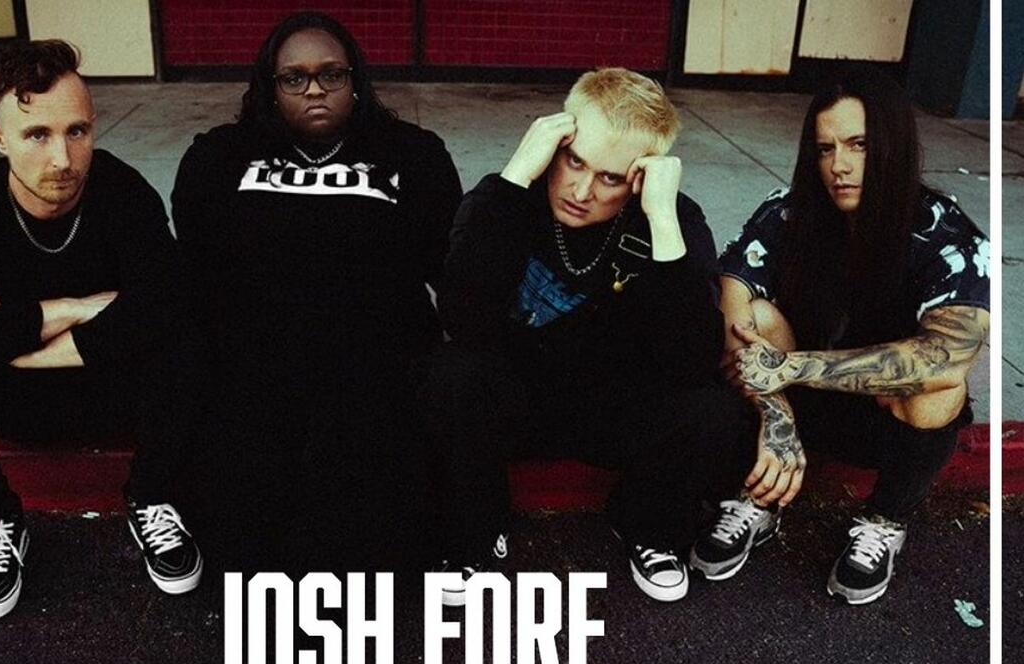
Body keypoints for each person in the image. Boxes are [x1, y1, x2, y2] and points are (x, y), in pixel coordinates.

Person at [423, 67, 757, 604]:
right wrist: (515, 174)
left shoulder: (673, 218)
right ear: (554, 142)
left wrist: (662, 220)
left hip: (613, 411)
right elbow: (461, 318)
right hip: (518, 402)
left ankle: (647, 527)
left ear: (642, 177)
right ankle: (476, 534)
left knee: (711, 410)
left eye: (610, 179)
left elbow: (693, 360)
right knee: (451, 373)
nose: (582, 191)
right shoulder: (510, 197)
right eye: (574, 161)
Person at [0, 40, 201, 621]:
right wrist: (68, 309)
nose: (62, 157)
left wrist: (12, 340)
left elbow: (167, 302)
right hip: (12, 402)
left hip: (109, 392)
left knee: (188, 344)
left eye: (77, 131)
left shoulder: (123, 192)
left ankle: (151, 497)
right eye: (37, 134)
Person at [170, 12, 462, 575]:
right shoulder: (219, 157)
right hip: (260, 358)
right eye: (294, 78)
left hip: (376, 356)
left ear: (356, 81)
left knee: (374, 523)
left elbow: (444, 266)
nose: (314, 90)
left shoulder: (413, 154)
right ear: (270, 87)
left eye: (332, 75)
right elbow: (201, 270)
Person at [693, 69, 990, 605]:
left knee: (941, 388)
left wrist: (793, 367)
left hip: (884, 422)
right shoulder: (788, 211)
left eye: (858, 145)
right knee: (754, 315)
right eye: (825, 149)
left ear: (894, 146)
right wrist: (777, 416)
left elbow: (947, 356)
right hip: (794, 407)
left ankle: (884, 520)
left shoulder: (947, 235)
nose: (840, 166)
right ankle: (762, 495)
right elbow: (732, 305)